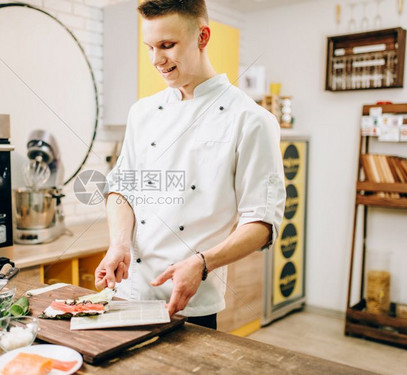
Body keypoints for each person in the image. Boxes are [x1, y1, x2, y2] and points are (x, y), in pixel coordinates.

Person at [94, 0, 286, 330]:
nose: (157, 60)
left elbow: (262, 222)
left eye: (167, 45)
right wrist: (119, 244)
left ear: (203, 37)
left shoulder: (252, 120)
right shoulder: (142, 112)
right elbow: (121, 189)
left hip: (189, 303)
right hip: (128, 291)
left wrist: (202, 263)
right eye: (150, 47)